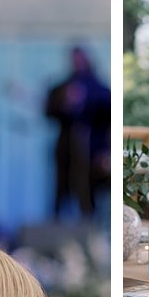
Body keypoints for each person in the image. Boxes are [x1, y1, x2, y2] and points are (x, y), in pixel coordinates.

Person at [44, 46, 111, 220]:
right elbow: (49, 111)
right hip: (66, 147)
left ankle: (89, 222)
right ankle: (57, 223)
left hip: (92, 149)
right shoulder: (63, 87)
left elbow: (106, 115)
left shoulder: (98, 89)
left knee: (88, 192)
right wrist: (65, 104)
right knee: (61, 188)